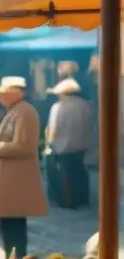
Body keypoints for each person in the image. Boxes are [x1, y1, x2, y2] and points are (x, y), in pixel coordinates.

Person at [0, 76, 49, 258]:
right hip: (10, 180)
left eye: (3, 94)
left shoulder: (24, 112)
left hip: (15, 181)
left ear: (15, 94)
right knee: (9, 227)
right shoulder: (17, 110)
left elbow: (22, 146)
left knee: (14, 228)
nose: (0, 97)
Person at [44, 77, 94, 208]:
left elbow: (53, 128)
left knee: (66, 174)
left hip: (63, 146)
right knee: (79, 171)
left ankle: (68, 201)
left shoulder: (58, 107)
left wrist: (49, 144)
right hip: (82, 144)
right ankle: (82, 198)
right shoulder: (86, 105)